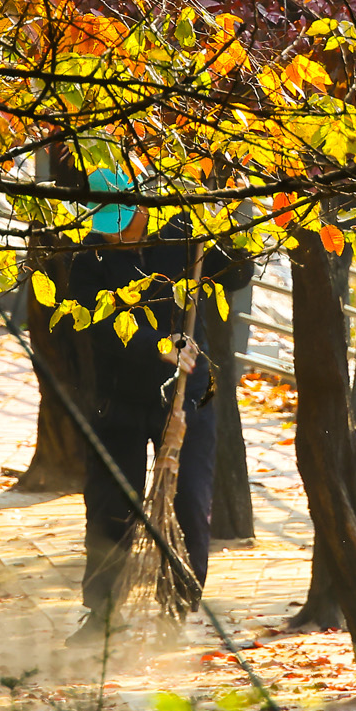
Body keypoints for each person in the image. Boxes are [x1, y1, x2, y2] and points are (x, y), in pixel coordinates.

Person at [61, 169, 251, 646]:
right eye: (107, 222)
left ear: (145, 208)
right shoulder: (92, 257)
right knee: (110, 504)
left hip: (186, 400)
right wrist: (157, 345)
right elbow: (96, 324)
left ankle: (176, 609)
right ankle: (102, 613)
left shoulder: (184, 237)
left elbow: (239, 275)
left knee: (188, 502)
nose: (116, 231)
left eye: (124, 220)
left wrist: (219, 227)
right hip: (117, 399)